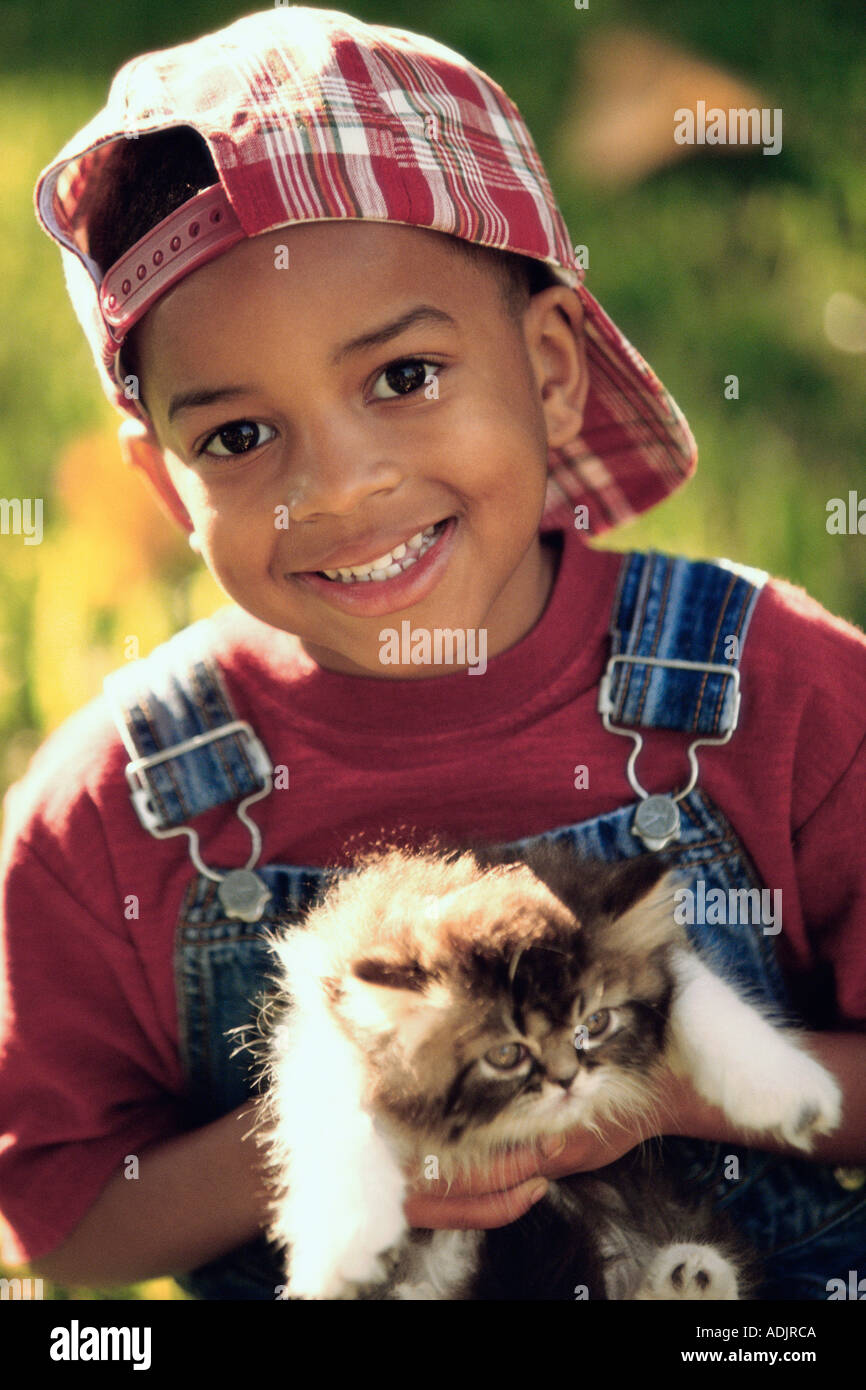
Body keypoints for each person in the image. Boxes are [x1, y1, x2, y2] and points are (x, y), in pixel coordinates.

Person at [2, 6, 864, 1300]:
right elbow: (65, 1233)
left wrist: (658, 1079)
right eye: (238, 437)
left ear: (552, 368)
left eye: (402, 376)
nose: (341, 488)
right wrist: (341, 1122)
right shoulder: (111, 817)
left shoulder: (770, 691)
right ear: (169, 487)